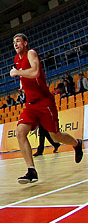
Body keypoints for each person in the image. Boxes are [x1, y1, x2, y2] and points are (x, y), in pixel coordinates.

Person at [10, 33, 83, 184]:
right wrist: (22, 85)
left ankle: (77, 144)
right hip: (30, 104)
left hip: (44, 102)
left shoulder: (31, 53)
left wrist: (17, 72)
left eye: (18, 41)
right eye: (14, 42)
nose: (15, 44)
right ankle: (31, 171)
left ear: (25, 43)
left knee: (56, 136)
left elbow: (35, 72)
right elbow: (25, 77)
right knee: (20, 132)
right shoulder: (16, 60)